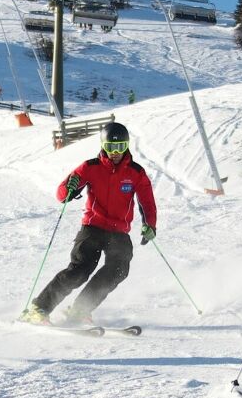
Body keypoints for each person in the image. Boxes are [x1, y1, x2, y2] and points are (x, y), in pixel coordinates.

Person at [19, 121, 157, 326]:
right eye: (111, 147)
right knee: (80, 270)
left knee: (119, 269)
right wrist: (70, 188)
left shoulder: (136, 172)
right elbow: (61, 193)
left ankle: (80, 310)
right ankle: (39, 308)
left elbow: (147, 202)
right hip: (93, 227)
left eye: (120, 147)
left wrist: (150, 225)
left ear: (127, 146)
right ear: (103, 145)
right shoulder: (90, 167)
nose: (115, 152)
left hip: (119, 231)